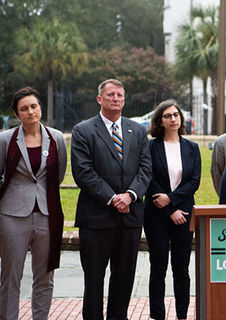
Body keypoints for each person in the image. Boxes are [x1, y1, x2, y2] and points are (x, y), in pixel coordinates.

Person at [71, 79, 152, 319]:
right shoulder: (83, 130)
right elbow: (83, 172)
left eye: (120, 95)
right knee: (94, 279)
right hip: (96, 218)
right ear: (99, 99)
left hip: (130, 218)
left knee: (124, 278)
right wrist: (113, 198)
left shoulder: (137, 130)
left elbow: (146, 169)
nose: (116, 98)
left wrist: (130, 195)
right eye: (110, 95)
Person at [0, 87, 67, 319]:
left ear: (40, 107)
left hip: (48, 214)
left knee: (45, 275)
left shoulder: (56, 137)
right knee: (10, 276)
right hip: (12, 215)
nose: (30, 112)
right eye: (24, 109)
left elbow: (57, 175)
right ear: (17, 114)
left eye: (34, 106)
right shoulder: (5, 139)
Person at [144, 100, 201, 320]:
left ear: (181, 118)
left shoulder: (192, 148)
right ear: (160, 120)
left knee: (182, 268)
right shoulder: (151, 147)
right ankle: (157, 315)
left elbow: (194, 181)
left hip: (185, 214)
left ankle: (182, 314)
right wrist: (169, 209)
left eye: (175, 115)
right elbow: (148, 179)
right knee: (158, 267)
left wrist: (172, 201)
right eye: (167, 116)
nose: (173, 119)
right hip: (156, 215)